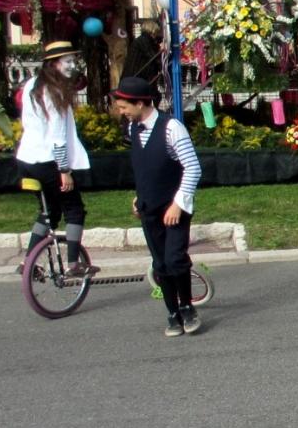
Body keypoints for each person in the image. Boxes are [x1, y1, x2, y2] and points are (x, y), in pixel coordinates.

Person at [113, 76, 204, 338]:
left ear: (140, 103)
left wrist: (178, 203)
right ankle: (172, 312)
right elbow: (145, 168)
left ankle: (187, 308)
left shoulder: (171, 128)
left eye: (124, 107)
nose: (121, 112)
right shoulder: (133, 128)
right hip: (148, 207)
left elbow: (193, 167)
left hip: (173, 208)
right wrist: (139, 196)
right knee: (160, 263)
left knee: (175, 259)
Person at [15, 40, 97, 279]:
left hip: (27, 159)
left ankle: (28, 263)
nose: (72, 65)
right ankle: (74, 264)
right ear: (53, 64)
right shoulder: (55, 92)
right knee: (74, 209)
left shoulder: (32, 84)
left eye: (73, 61)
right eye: (67, 61)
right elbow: (57, 137)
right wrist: (64, 170)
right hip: (47, 160)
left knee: (49, 211)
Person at [120, 20, 164, 97]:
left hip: (135, 77)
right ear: (152, 30)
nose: (156, 34)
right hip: (136, 76)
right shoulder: (144, 41)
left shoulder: (144, 40)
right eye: (156, 32)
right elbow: (152, 56)